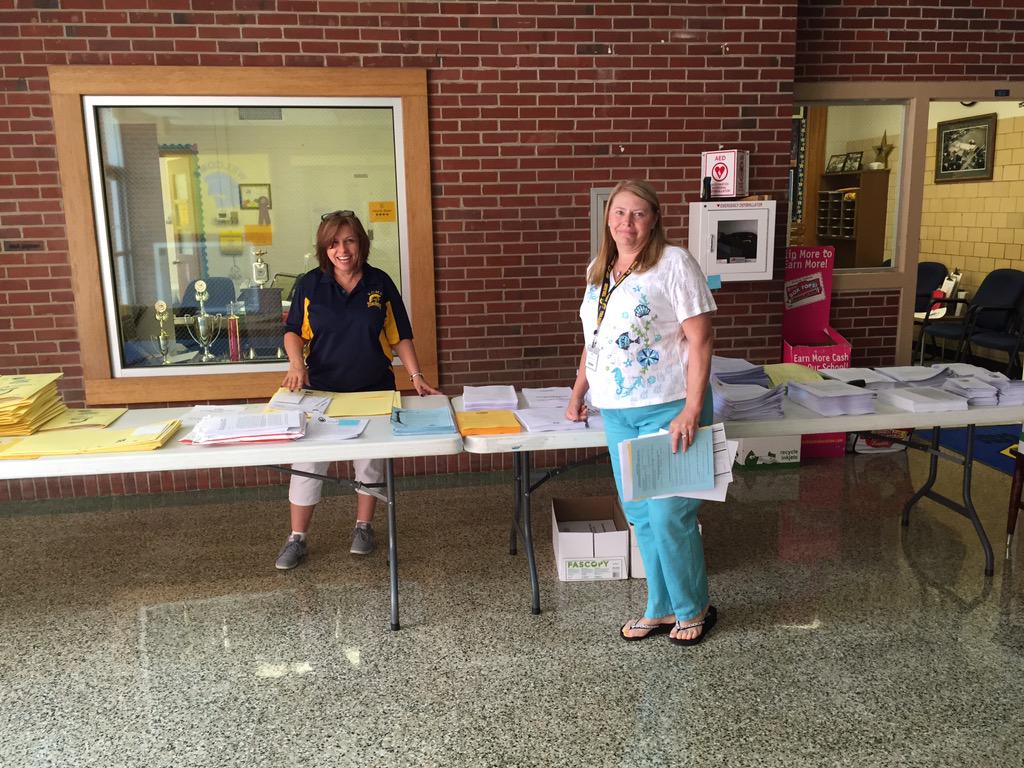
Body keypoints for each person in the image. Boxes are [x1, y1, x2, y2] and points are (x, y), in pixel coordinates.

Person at [565, 180, 718, 646]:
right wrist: (578, 392)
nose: (626, 223)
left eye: (637, 214)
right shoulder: (601, 268)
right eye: (618, 213)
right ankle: (661, 607)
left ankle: (695, 608)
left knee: (671, 514)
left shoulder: (675, 264)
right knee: (641, 516)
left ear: (654, 219)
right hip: (618, 413)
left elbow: (701, 338)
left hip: (668, 409)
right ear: (607, 218)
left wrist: (692, 409)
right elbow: (596, 341)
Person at [275, 210, 439, 570]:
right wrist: (296, 363)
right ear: (324, 248)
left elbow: (400, 337)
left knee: (370, 464)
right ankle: (297, 538)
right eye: (333, 243)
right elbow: (292, 331)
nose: (342, 250)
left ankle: (363, 527)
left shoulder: (380, 284)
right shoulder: (309, 284)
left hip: (373, 390)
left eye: (349, 241)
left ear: (361, 244)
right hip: (320, 394)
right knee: (306, 467)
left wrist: (416, 376)